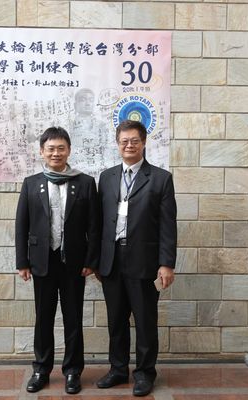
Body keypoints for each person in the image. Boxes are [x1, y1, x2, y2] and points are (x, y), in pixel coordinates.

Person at [15, 126, 100, 394]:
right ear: (42, 151)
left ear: (69, 151)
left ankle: (73, 371)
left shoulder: (85, 183)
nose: (56, 153)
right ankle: (41, 369)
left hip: (74, 263)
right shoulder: (31, 183)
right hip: (42, 261)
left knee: (73, 318)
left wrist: (91, 260)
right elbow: (21, 225)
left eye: (61, 148)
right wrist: (22, 262)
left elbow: (94, 226)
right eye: (50, 148)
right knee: (43, 318)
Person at [96, 120, 177, 396]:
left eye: (134, 141)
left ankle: (144, 373)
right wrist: (96, 260)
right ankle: (118, 369)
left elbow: (168, 225)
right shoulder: (106, 177)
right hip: (112, 260)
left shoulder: (160, 178)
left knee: (145, 321)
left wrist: (166, 263)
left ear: (143, 143)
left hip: (144, 261)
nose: (129, 145)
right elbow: (99, 222)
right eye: (124, 141)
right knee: (116, 320)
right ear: (117, 144)